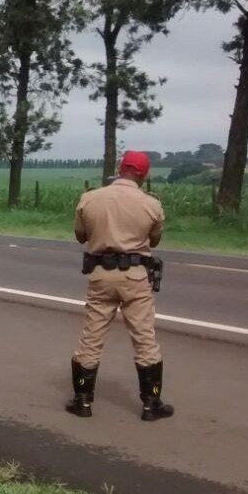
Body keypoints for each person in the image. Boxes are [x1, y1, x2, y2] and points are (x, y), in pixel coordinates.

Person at [66, 151, 174, 421]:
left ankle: (82, 401)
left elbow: (81, 235)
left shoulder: (90, 198)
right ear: (144, 174)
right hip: (136, 277)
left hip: (101, 274)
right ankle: (151, 404)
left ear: (119, 168)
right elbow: (155, 240)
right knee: (144, 339)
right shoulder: (151, 204)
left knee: (91, 337)